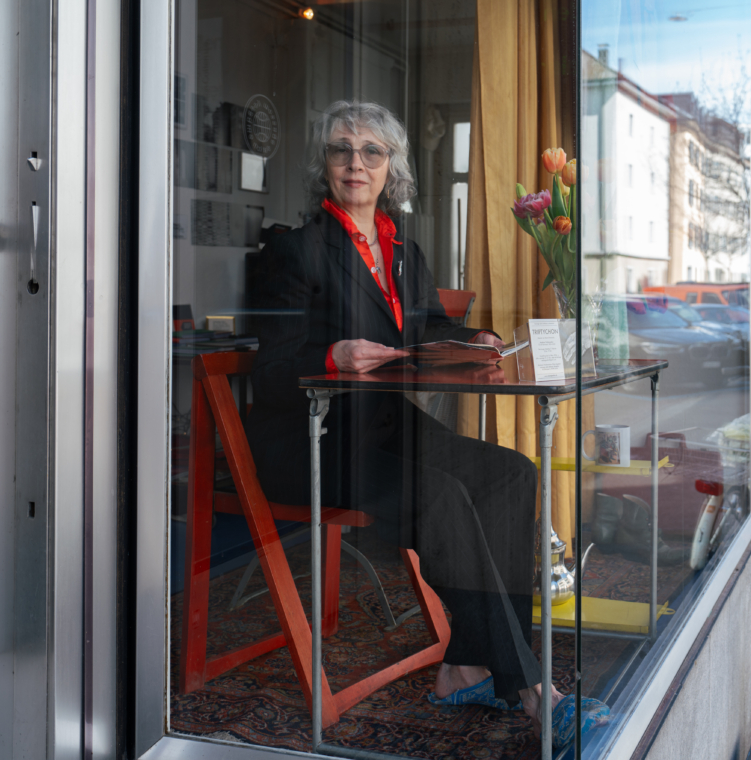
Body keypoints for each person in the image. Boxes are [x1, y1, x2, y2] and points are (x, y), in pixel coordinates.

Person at [243, 100, 606, 749]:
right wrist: (332, 355)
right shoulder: (290, 252)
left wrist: (475, 337)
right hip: (310, 438)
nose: (357, 162)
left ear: (391, 168)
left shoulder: (401, 251)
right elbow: (267, 371)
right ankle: (530, 690)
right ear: (323, 165)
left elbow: (423, 328)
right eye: (341, 149)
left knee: (510, 473)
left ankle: (463, 668)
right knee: (442, 496)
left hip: (380, 424)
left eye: (372, 151)